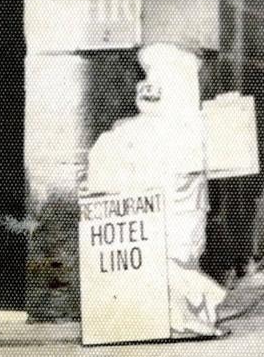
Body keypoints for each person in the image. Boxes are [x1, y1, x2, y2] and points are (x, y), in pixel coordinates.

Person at [86, 43, 227, 338]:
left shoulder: (158, 130)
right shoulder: (155, 131)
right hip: (168, 216)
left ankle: (176, 316)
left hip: (180, 211)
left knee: (180, 256)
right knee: (174, 257)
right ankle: (176, 318)